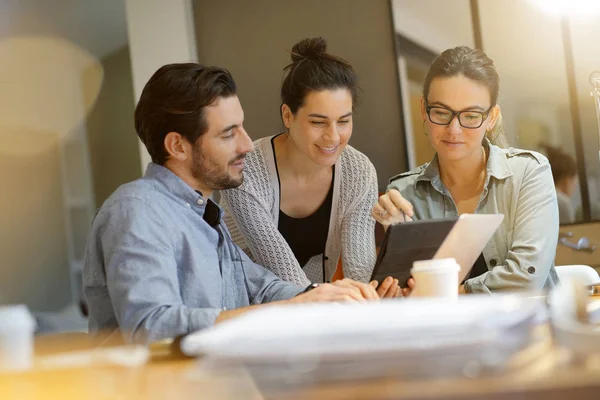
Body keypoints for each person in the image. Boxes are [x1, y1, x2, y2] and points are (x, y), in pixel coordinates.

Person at [83, 63, 381, 344]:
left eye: (242, 128)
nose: (247, 145)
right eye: (229, 134)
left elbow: (262, 287)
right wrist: (294, 307)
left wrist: (322, 294)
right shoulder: (137, 211)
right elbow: (151, 327)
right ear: (177, 146)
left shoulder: (204, 217)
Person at [372, 46, 559, 294]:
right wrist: (393, 274)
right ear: (423, 111)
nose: (454, 129)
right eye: (441, 112)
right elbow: (409, 294)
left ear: (491, 117)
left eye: (470, 116)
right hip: (450, 333)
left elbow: (527, 276)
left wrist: (450, 292)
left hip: (529, 328)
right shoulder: (404, 194)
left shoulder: (528, 173)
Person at [220, 37, 399, 297]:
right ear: (287, 116)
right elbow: (283, 273)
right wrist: (342, 297)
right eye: (318, 122)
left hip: (317, 313)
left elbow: (360, 272)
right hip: (247, 314)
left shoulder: (358, 171)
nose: (334, 137)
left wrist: (377, 290)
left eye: (344, 121)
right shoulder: (245, 170)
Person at [540, 144, 578, 224]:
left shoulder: (543, 196)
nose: (575, 186)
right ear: (567, 179)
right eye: (574, 180)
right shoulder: (562, 202)